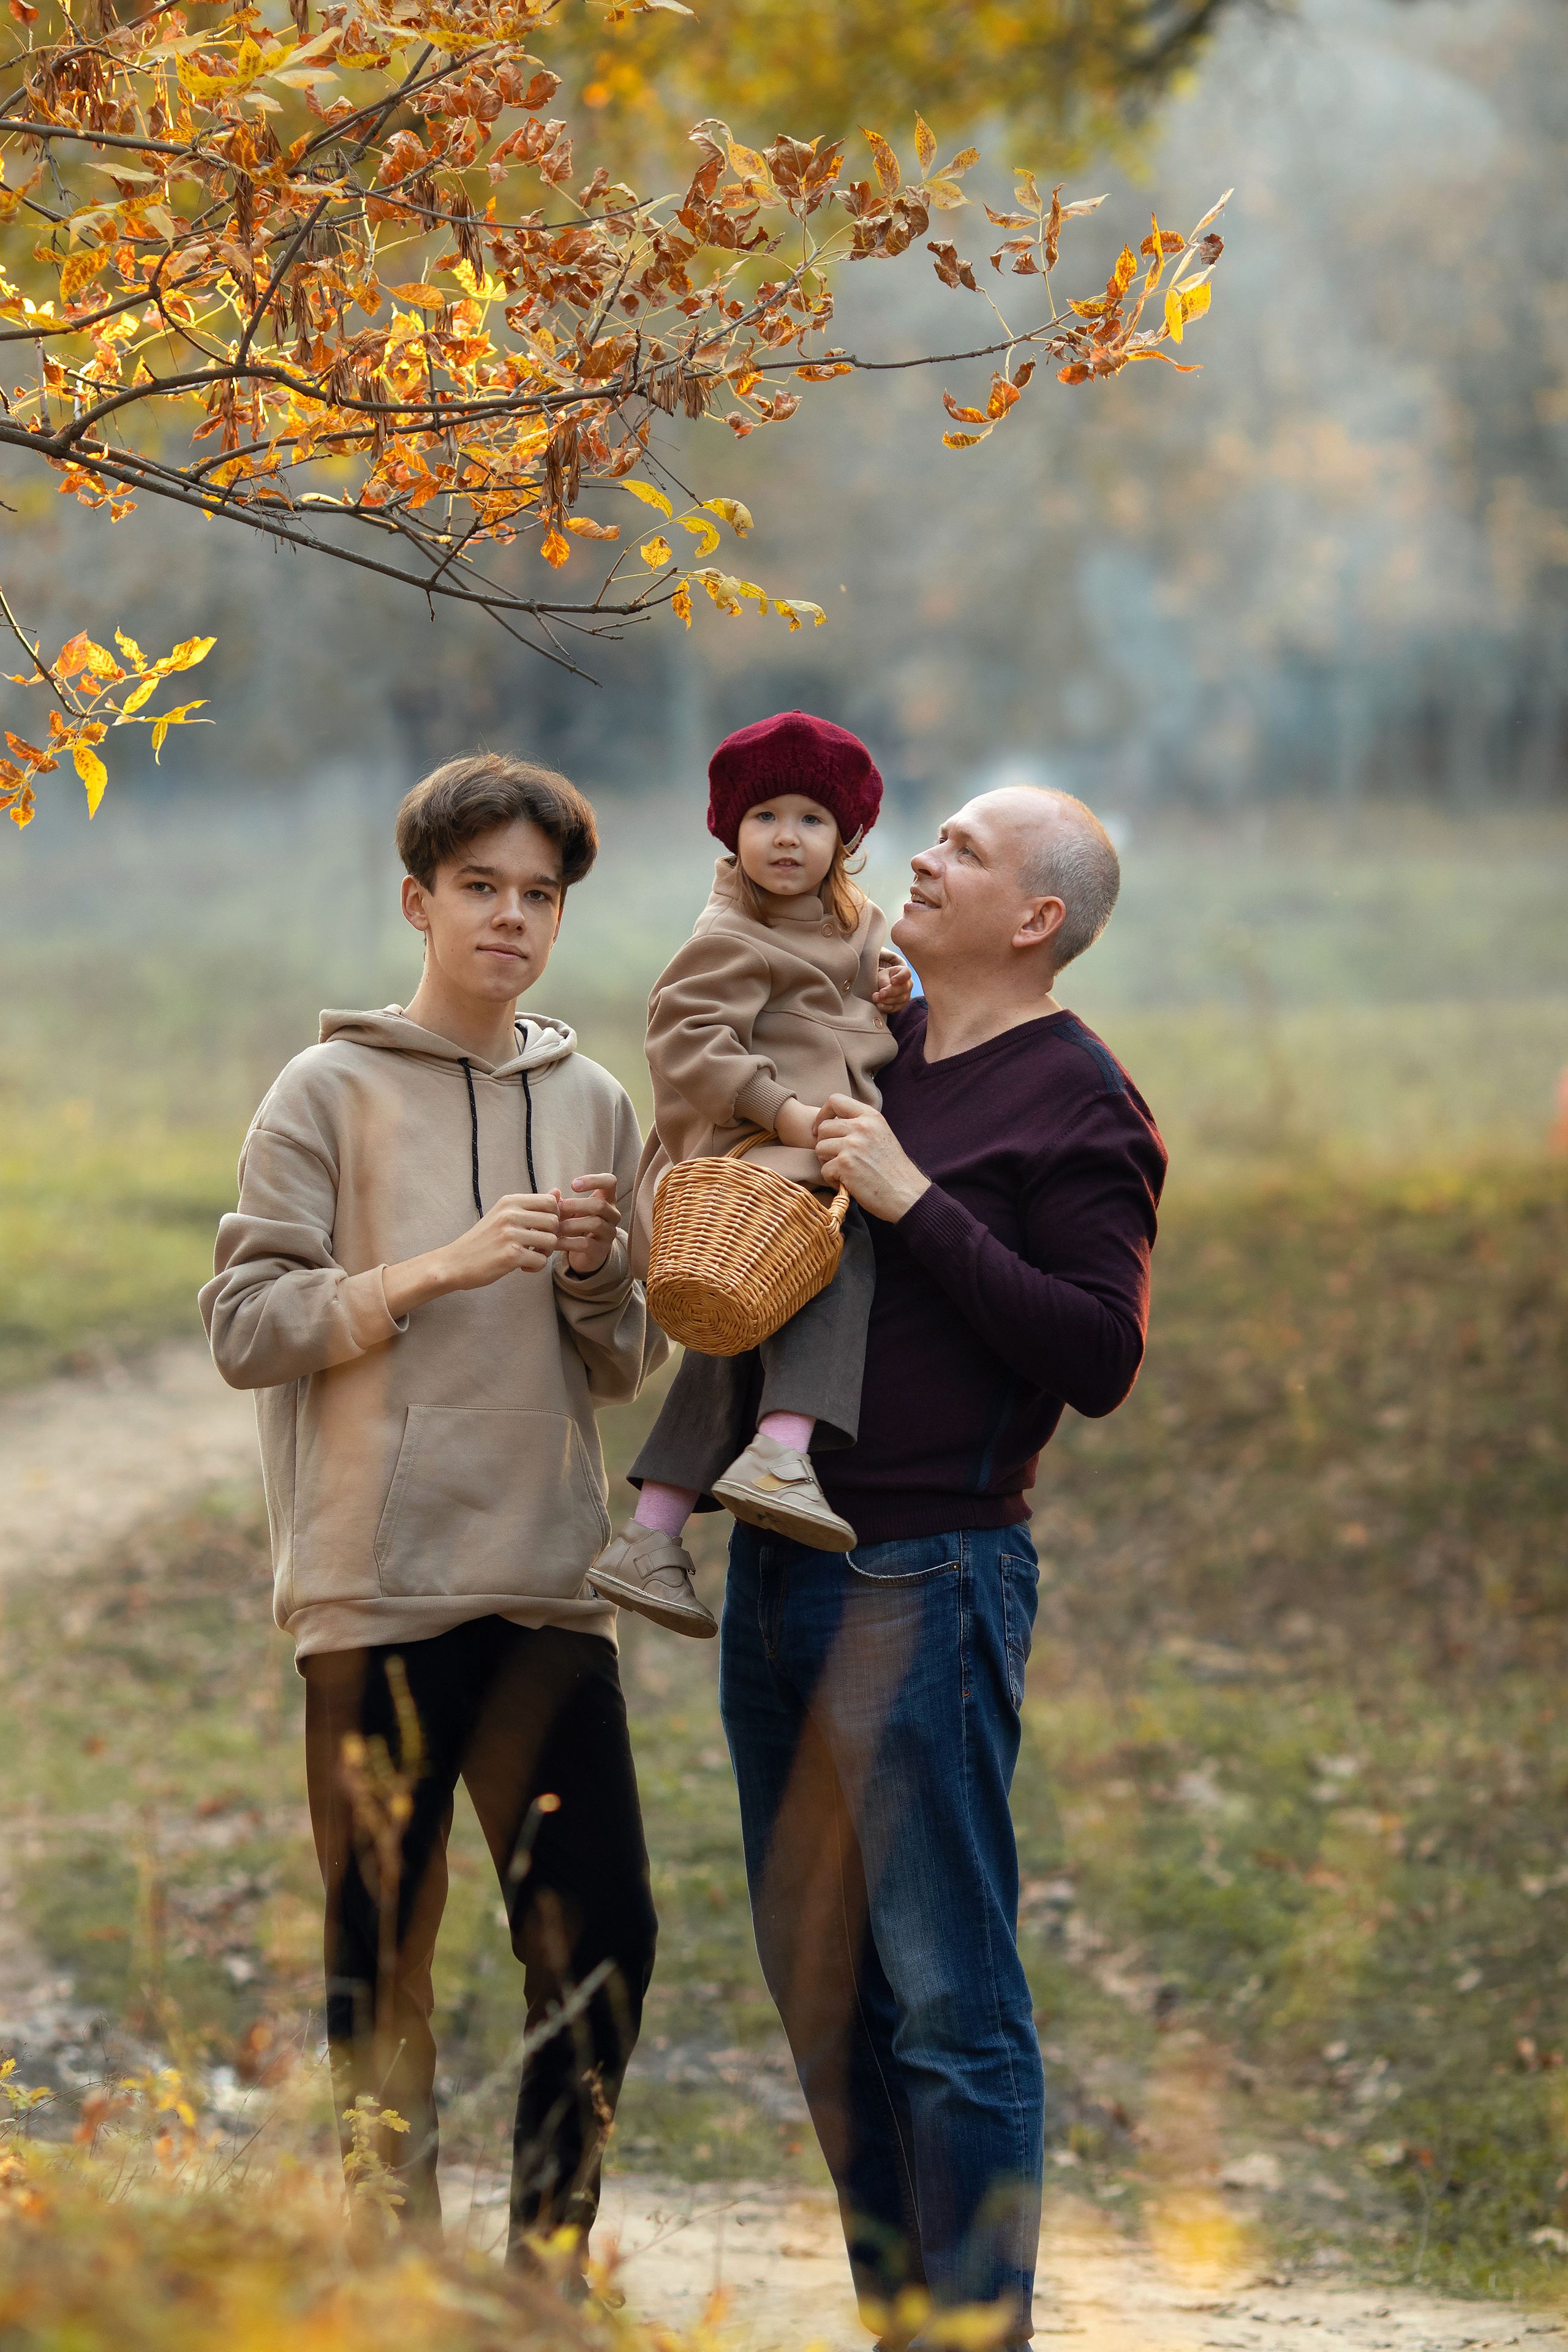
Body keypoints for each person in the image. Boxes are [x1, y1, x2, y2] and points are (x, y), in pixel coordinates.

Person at [714, 785, 1168, 2341]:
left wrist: (912, 1201)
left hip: (923, 1579)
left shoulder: (1077, 1102)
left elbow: (1097, 1352)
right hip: (775, 1562)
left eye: (961, 850)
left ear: (1034, 919)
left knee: (947, 2004)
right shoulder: (874, 1045)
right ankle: (902, 2319)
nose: (918, 854)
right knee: (822, 1989)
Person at [199, 754, 664, 2274]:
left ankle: (542, 2272)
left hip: (544, 1586)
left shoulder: (595, 1100)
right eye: (482, 889)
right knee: (378, 1954)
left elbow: (622, 1361)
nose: (512, 919)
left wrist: (597, 1276)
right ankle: (391, 2275)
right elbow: (247, 1325)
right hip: (375, 1586)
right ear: (419, 900)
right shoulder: (322, 1089)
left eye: (539, 896)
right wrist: (434, 1272)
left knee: (601, 1939)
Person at [587, 710, 911, 1641]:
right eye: (765, 814)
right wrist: (787, 1112)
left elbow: (869, 996)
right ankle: (782, 1447)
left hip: (803, 1162)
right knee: (838, 1257)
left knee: (739, 1328)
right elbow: (686, 1041)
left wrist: (896, 990)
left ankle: (650, 1534)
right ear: (731, 829)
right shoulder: (732, 934)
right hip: (750, 1162)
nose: (786, 836)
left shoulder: (857, 926)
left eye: (812, 818)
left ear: (846, 838)